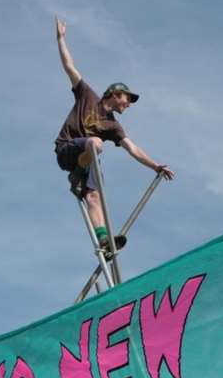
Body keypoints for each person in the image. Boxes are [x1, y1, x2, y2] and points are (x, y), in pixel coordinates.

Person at [53, 17, 173, 255]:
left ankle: (104, 240)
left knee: (95, 196)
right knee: (96, 143)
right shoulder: (87, 96)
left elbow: (132, 148)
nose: (128, 105)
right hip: (66, 149)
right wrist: (61, 39)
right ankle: (77, 176)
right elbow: (69, 67)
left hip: (85, 160)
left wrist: (155, 166)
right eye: (127, 99)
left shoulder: (114, 127)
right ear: (115, 94)